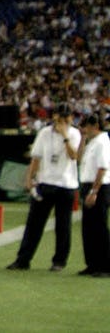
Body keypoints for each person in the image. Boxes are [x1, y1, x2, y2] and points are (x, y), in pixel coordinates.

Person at [6, 104, 80, 272]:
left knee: (63, 226)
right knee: (34, 224)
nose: (63, 120)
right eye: (60, 116)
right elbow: (36, 158)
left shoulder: (74, 133)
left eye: (66, 117)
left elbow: (74, 156)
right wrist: (28, 178)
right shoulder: (44, 133)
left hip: (65, 185)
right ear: (55, 116)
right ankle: (23, 259)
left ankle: (59, 261)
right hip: (45, 183)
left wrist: (65, 136)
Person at [77, 112, 110, 276]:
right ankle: (92, 264)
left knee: (99, 227)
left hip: (99, 187)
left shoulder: (102, 142)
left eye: (87, 127)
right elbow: (78, 157)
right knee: (88, 228)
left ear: (95, 126)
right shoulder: (92, 142)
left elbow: (102, 168)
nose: (85, 129)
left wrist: (94, 191)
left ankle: (105, 266)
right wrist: (82, 138)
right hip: (88, 185)